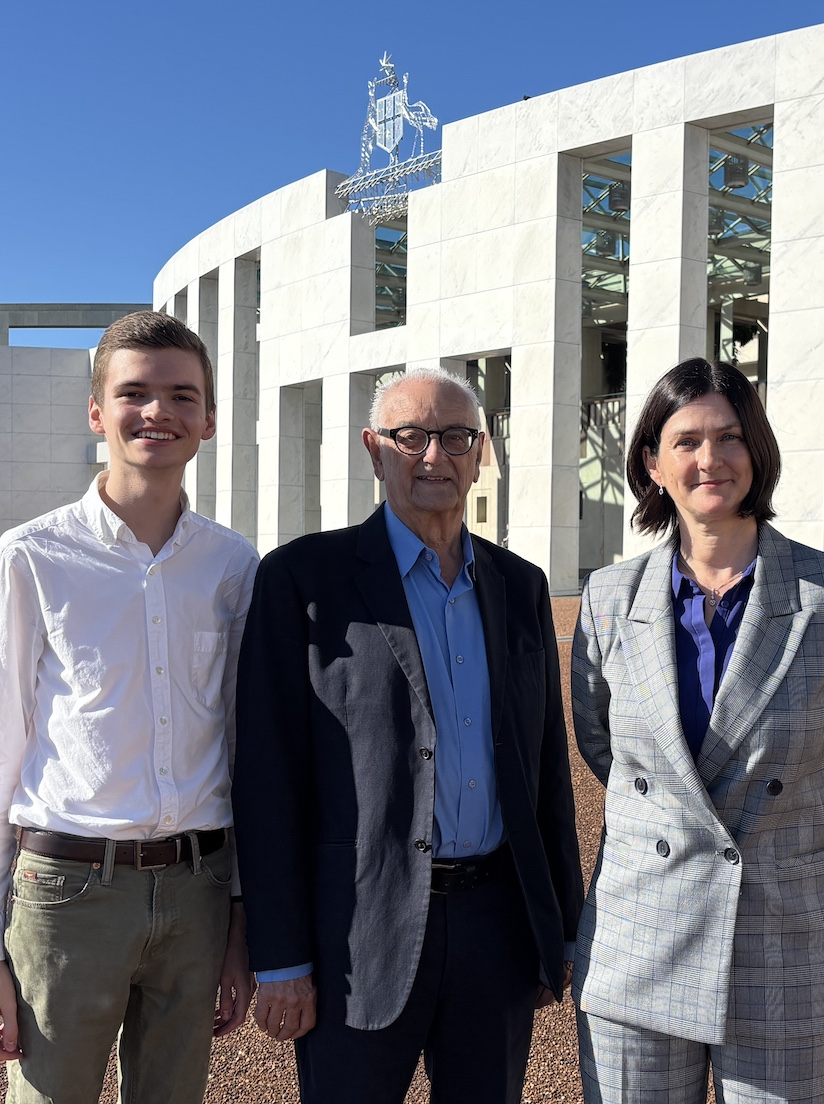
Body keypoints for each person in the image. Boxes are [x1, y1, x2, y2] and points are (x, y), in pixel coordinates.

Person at [234, 366, 583, 1103]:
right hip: (356, 933)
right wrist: (281, 957)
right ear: (374, 449)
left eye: (455, 437)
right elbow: (268, 778)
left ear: (479, 453)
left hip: (496, 926)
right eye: (411, 436)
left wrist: (559, 926)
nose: (433, 456)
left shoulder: (519, 586)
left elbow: (545, 767)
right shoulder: (304, 579)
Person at [0, 310, 258, 1103]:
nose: (158, 412)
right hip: (68, 893)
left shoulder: (232, 565)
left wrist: (241, 919)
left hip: (197, 889)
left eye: (182, 395)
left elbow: (245, 747)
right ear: (96, 412)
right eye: (134, 393)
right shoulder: (32, 556)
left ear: (209, 420)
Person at [570, 358, 824, 1104]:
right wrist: (684, 817)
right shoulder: (608, 598)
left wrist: (774, 818)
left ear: (758, 451)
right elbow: (601, 742)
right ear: (653, 464)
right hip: (639, 937)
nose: (709, 458)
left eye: (730, 437)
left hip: (787, 939)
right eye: (685, 441)